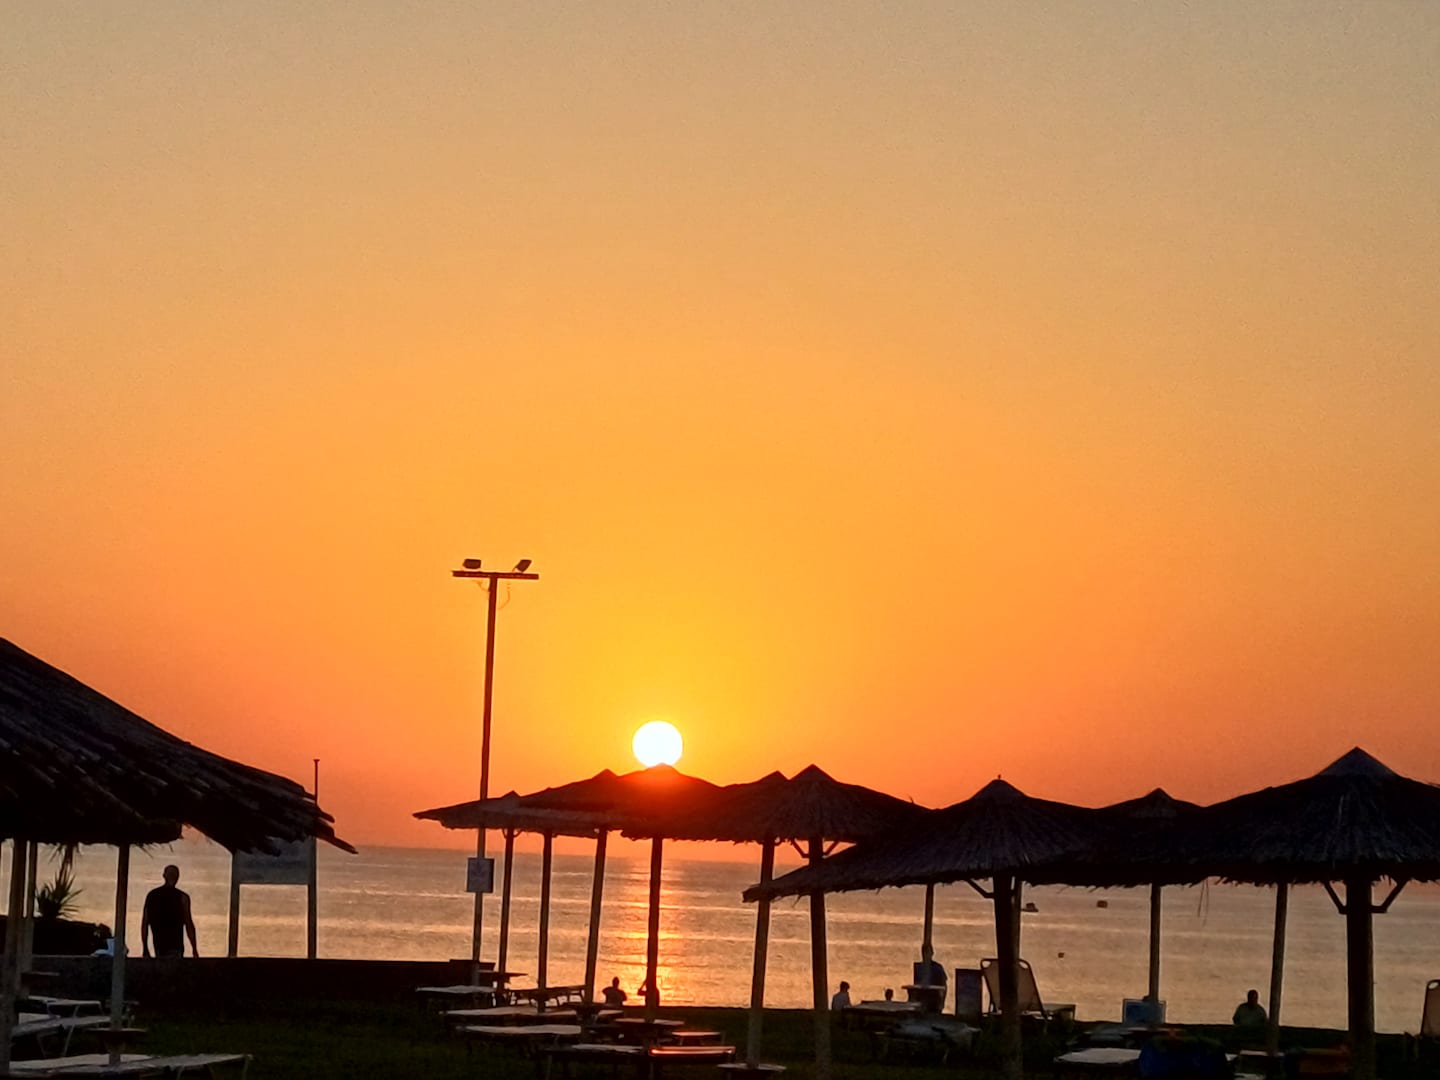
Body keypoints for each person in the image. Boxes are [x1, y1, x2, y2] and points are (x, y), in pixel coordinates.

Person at [141, 864, 197, 959]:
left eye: (175, 875)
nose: (173, 877)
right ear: (164, 876)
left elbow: (189, 924)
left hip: (169, 946)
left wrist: (194, 949)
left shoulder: (153, 895)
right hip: (165, 946)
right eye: (171, 874)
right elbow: (145, 923)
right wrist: (145, 948)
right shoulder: (154, 896)